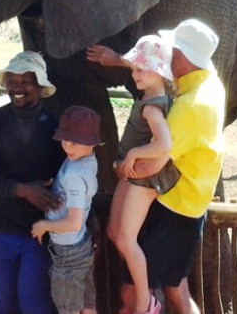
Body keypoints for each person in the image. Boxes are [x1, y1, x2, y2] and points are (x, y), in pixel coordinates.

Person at [88, 19, 225, 314]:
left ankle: (143, 304)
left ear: (181, 56)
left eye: (170, 50)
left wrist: (125, 164)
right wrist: (118, 60)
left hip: (173, 207)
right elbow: (154, 67)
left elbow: (150, 166)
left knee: (147, 294)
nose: (166, 54)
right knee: (174, 288)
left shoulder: (189, 107)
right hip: (188, 200)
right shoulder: (208, 81)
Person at [88, 35, 178, 314]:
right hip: (132, 176)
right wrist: (117, 59)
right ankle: (142, 290)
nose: (134, 74)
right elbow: (140, 66)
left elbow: (164, 144)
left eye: (140, 69)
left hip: (143, 178)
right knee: (114, 233)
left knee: (126, 238)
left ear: (158, 71)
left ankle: (145, 302)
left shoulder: (152, 107)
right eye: (134, 68)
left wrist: (133, 155)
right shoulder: (152, 94)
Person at [0, 50, 65, 314]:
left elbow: (68, 176)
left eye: (25, 81)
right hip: (1, 230)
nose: (17, 87)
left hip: (40, 233)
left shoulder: (56, 125)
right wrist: (22, 190)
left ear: (40, 85)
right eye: (12, 80)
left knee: (34, 304)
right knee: (5, 305)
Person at [31, 105, 101, 314]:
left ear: (91, 142)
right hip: (81, 245)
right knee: (87, 304)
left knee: (68, 308)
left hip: (67, 250)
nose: (67, 146)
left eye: (75, 142)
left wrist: (43, 225)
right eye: (64, 139)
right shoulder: (88, 161)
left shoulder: (74, 176)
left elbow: (74, 223)